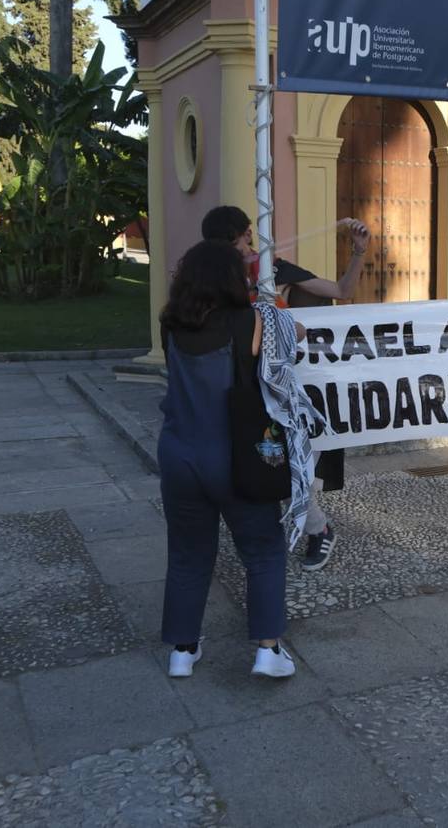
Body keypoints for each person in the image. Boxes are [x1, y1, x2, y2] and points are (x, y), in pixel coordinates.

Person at [157, 240, 297, 680]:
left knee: (187, 555)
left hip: (179, 454)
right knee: (263, 550)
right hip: (237, 456)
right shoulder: (253, 320)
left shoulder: (170, 324)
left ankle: (182, 650)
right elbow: (295, 341)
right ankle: (267, 651)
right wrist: (275, 306)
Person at [199, 205, 367, 570]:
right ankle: (277, 529)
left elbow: (342, 290)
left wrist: (358, 251)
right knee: (253, 463)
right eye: (239, 239)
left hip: (282, 385)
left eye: (246, 237)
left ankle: (318, 530)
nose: (246, 244)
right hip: (238, 386)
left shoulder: (270, 268)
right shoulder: (209, 279)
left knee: (291, 462)